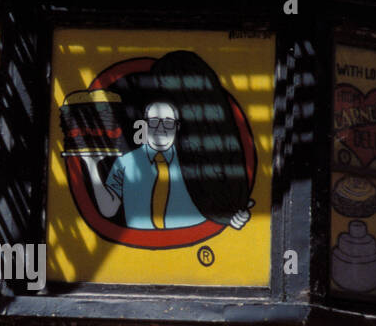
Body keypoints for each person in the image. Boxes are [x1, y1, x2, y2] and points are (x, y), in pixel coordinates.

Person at [83, 98, 252, 231]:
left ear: (177, 127)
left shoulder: (196, 160)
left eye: (168, 123)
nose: (161, 129)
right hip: (140, 251)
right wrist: (92, 166)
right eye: (155, 122)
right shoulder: (126, 162)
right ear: (144, 125)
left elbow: (220, 199)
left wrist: (234, 214)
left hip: (193, 246)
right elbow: (109, 209)